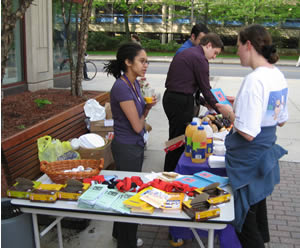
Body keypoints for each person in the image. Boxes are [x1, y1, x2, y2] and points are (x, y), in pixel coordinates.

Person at [216, 24, 288, 248]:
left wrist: (228, 111)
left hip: (248, 162)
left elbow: (247, 132)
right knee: (255, 214)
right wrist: (241, 105)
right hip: (263, 157)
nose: (236, 51)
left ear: (248, 45)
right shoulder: (277, 74)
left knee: (246, 225)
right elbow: (280, 118)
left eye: (238, 46)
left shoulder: (254, 80)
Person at [103, 42, 156, 248]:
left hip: (133, 145)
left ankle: (120, 233)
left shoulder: (133, 83)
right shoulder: (122, 87)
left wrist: (146, 105)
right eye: (142, 61)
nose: (146, 65)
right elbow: (136, 125)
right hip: (127, 147)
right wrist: (147, 110)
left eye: (147, 61)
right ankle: (127, 242)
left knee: (126, 191)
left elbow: (139, 117)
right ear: (128, 62)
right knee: (130, 194)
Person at [162, 33, 223, 172]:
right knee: (178, 141)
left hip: (174, 98)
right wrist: (221, 110)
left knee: (176, 138)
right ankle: (171, 173)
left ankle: (171, 171)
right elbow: (206, 89)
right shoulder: (200, 58)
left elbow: (187, 83)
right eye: (215, 53)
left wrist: (203, 102)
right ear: (208, 45)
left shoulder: (191, 53)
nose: (214, 57)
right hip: (180, 102)